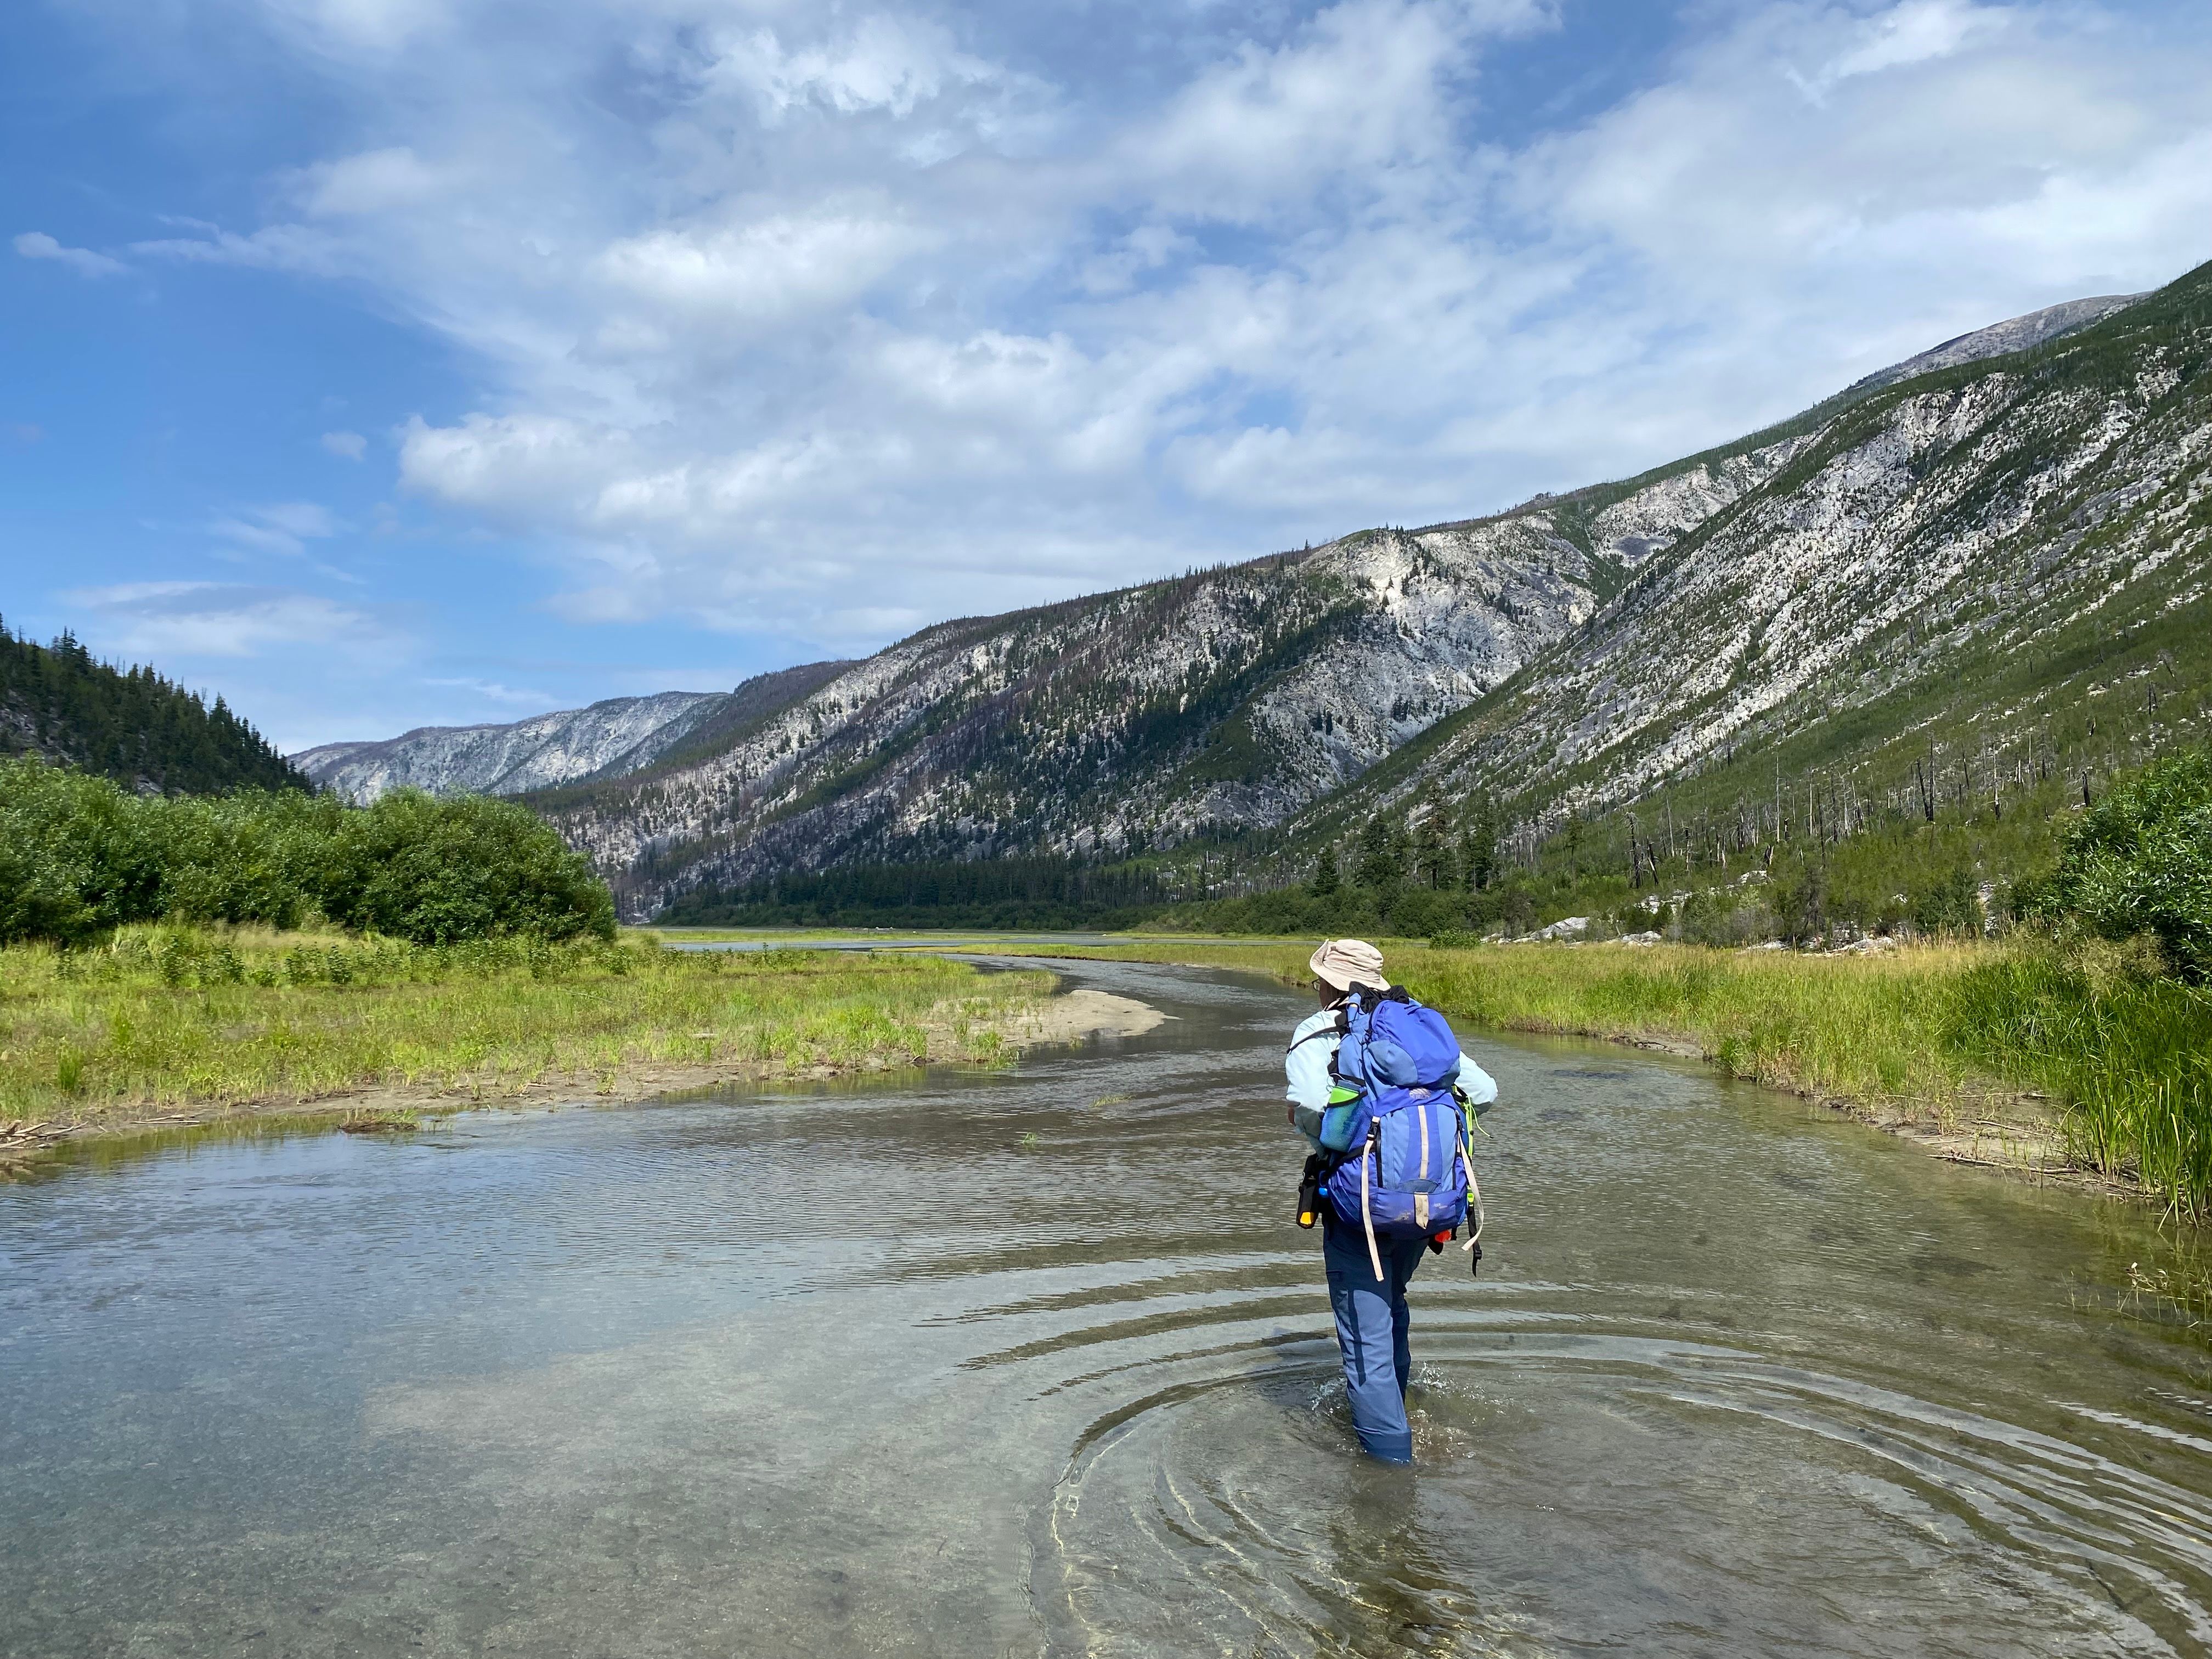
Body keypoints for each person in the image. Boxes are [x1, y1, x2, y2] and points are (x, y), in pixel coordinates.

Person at [1285, 938, 1497, 1464]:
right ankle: (1401, 1416)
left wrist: (1329, 1134)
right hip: (1430, 1203)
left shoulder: (1318, 1031)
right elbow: (1486, 1090)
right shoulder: (1413, 1027)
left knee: (1365, 1345)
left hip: (1358, 1206)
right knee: (1390, 1303)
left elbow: (1314, 1105)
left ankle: (1389, 1478)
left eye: (1318, 981)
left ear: (1329, 984)